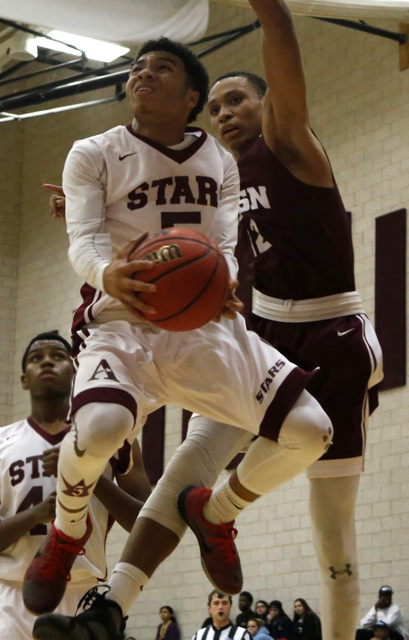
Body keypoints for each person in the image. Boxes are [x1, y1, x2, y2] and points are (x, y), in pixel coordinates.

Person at [27, 35, 333, 639]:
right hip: (123, 320)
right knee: (101, 431)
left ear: (189, 95)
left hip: (207, 329)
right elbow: (84, 240)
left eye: (160, 67)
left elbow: (223, 246)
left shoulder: (236, 159)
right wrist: (105, 271)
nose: (141, 73)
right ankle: (66, 532)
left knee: (310, 432)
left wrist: (225, 279)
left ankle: (215, 514)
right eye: (136, 66)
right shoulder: (94, 150)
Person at [180, 1, 384, 640]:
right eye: (214, 109)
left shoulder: (290, 143)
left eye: (236, 99)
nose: (224, 115)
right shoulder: (225, 186)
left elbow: (281, 35)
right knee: (198, 441)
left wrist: (268, 9)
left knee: (333, 537)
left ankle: (218, 512)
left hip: (332, 334)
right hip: (266, 333)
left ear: (269, 105)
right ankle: (133, 566)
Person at [0, 331, 151, 640]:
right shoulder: (1, 442)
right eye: (36, 358)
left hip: (82, 597)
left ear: (75, 371)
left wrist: (85, 472)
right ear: (23, 379)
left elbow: (147, 521)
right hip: (9, 599)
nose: (46, 362)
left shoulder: (113, 437)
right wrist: (33, 516)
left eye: (58, 356)